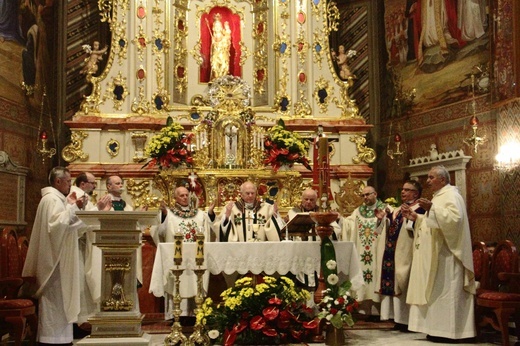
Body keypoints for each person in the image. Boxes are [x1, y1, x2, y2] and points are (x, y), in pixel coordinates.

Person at [22, 167, 109, 344]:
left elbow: (72, 225)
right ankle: (51, 340)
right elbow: (56, 226)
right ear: (58, 181)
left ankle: (61, 339)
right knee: (55, 301)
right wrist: (73, 208)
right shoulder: (51, 199)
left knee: (62, 301)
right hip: (54, 262)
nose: (71, 184)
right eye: (68, 181)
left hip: (60, 257)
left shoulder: (57, 199)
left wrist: (78, 208)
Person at [402, 166, 476, 342]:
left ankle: (452, 332)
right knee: (437, 293)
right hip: (438, 254)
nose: (427, 181)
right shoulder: (439, 196)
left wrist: (432, 209)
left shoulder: (452, 195)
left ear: (443, 180)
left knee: (448, 292)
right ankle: (437, 329)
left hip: (449, 255)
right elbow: (432, 222)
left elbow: (455, 221)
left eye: (431, 177)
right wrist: (417, 218)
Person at [151, 186, 216, 318]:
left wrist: (210, 213)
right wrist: (163, 214)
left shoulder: (199, 214)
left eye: (187, 195)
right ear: (175, 198)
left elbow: (209, 228)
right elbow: (160, 232)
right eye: (181, 195)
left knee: (195, 280)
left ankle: (195, 314)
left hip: (195, 257)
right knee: (177, 282)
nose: (185, 198)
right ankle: (175, 314)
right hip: (176, 257)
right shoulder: (169, 214)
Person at [373, 180, 425, 331]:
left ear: (415, 193)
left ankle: (409, 320)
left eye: (407, 190)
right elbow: (383, 230)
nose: (403, 192)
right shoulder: (396, 209)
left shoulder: (420, 209)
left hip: (407, 251)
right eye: (402, 189)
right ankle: (398, 318)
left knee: (405, 281)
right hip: (392, 252)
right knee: (395, 282)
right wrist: (382, 218)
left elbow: (420, 227)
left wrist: (411, 219)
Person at [340, 185, 384, 320]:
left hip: (377, 250)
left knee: (377, 274)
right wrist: (340, 219)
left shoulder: (385, 209)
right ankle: (365, 310)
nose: (365, 198)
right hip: (362, 251)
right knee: (363, 275)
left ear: (375, 194)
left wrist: (382, 219)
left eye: (368, 194)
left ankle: (378, 310)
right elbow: (349, 224)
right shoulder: (359, 211)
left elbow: (388, 225)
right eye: (363, 195)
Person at [218, 181, 283, 242]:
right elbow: (220, 227)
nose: (250, 195)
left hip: (260, 250)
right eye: (247, 193)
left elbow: (278, 228)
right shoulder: (231, 208)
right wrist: (226, 216)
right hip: (238, 249)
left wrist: (275, 216)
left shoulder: (266, 208)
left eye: (252, 193)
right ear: (241, 194)